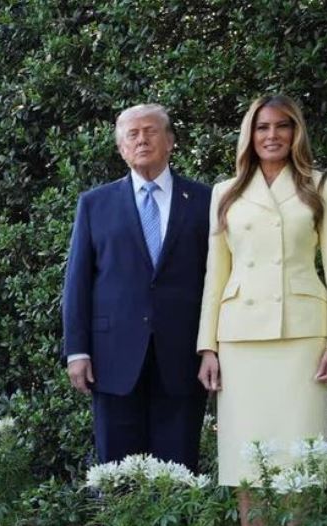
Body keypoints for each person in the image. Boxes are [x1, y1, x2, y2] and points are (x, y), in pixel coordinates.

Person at [196, 95, 327, 526]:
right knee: (245, 456)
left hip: (303, 334)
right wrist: (207, 347)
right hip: (239, 338)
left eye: (282, 126)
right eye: (262, 127)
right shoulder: (225, 191)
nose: (272, 135)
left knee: (299, 455)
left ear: (295, 132)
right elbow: (215, 274)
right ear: (250, 135)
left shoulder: (320, 184)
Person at [62, 103, 212, 469]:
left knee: (178, 472)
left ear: (170, 141)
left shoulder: (206, 201)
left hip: (183, 356)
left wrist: (213, 347)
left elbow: (217, 278)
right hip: (112, 359)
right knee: (116, 474)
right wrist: (76, 350)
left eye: (150, 131)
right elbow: (77, 281)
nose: (142, 139)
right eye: (132, 134)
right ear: (121, 148)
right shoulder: (94, 204)